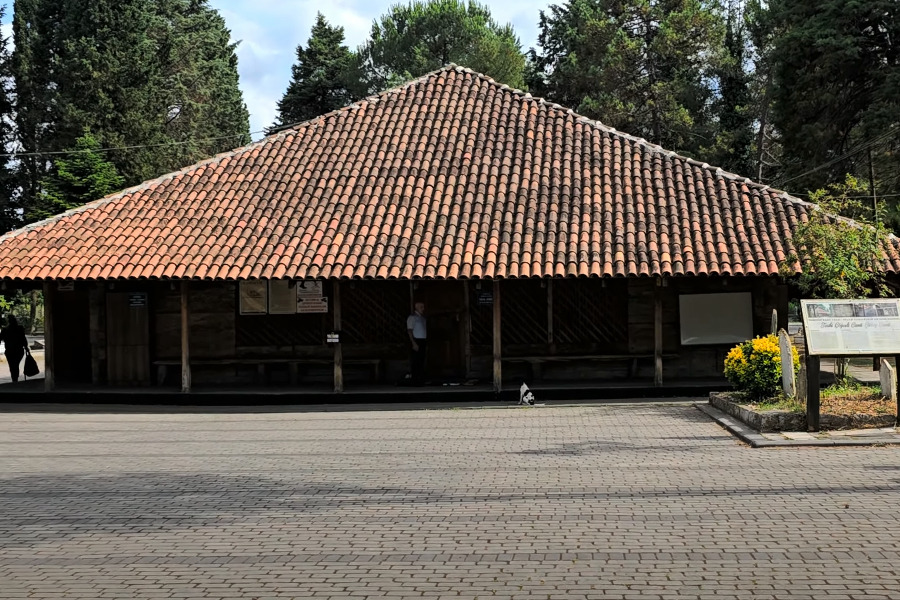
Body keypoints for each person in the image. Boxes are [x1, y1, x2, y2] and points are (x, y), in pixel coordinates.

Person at [0, 316, 30, 383]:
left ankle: (14, 378)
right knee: (15, 365)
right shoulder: (20, 328)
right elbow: (23, 339)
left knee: (12, 365)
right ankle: (15, 378)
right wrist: (26, 347)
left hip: (9, 350)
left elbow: (0, 338)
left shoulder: (5, 330)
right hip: (19, 350)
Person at [407, 301, 427, 386]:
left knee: (421, 360)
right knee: (416, 361)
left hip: (423, 340)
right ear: (417, 308)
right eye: (421, 307)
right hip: (416, 340)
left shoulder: (423, 318)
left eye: (423, 307)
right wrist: (413, 343)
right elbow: (410, 330)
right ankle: (414, 380)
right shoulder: (412, 317)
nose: (423, 309)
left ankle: (420, 379)